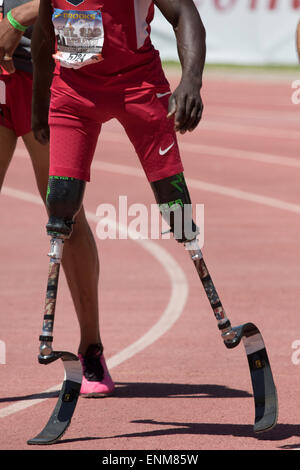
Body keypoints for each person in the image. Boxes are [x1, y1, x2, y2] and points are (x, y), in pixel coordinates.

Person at [0, 0, 115, 397]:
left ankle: (91, 348)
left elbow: (89, 23)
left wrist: (24, 15)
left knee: (66, 213)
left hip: (48, 77)